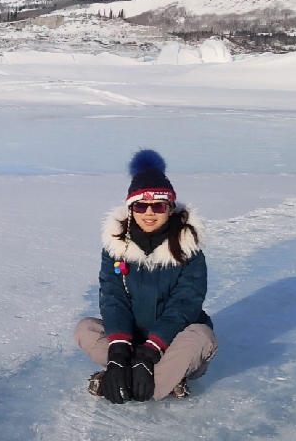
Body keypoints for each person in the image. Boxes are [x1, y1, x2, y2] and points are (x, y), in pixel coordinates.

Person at [75, 149, 217, 402]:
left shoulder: (189, 249)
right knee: (86, 329)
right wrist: (118, 350)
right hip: (131, 339)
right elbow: (113, 297)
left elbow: (185, 304)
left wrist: (151, 351)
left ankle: (122, 382)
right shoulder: (116, 248)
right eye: (141, 205)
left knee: (202, 338)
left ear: (170, 208)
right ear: (131, 208)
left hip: (173, 341)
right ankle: (157, 378)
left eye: (158, 205)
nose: (149, 212)